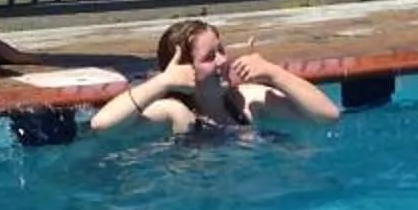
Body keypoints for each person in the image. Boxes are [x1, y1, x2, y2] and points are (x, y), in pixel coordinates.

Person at [89, 19, 343, 136]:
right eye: (210, 57)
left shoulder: (244, 103)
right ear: (185, 70)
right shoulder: (176, 114)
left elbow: (328, 116)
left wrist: (274, 73)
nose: (223, 60)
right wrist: (162, 82)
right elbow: (101, 125)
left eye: (221, 50)